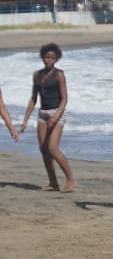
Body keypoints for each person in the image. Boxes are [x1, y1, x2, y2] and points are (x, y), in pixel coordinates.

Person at [19, 43, 76, 191]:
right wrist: (25, 120)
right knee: (44, 149)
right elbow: (33, 99)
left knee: (52, 148)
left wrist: (56, 117)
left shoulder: (59, 75)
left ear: (56, 59)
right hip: (42, 114)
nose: (49, 60)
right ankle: (53, 183)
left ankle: (70, 180)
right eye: (46, 57)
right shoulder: (37, 75)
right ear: (42, 57)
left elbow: (64, 99)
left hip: (57, 113)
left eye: (52, 58)